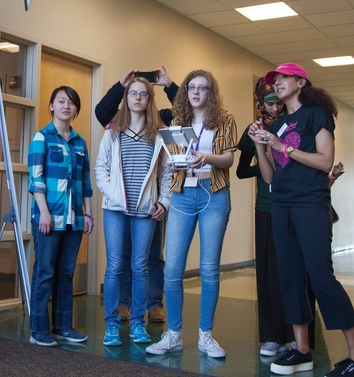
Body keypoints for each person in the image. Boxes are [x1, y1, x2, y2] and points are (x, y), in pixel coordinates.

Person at [251, 63, 354, 377]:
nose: (276, 84)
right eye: (273, 81)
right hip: (281, 204)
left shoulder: (316, 114)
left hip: (310, 204)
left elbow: (325, 161)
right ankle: (300, 350)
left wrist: (283, 147)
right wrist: (261, 146)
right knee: (289, 276)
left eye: (282, 79)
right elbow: (269, 176)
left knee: (320, 277)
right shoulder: (279, 124)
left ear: (300, 82)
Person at [146, 69, 237, 359]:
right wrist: (177, 162)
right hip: (183, 193)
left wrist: (206, 157)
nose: (196, 92)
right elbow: (173, 156)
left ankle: (205, 337)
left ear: (211, 92)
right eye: (191, 88)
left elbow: (229, 159)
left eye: (203, 88)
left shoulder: (225, 119)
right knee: (172, 269)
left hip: (214, 192)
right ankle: (172, 335)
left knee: (209, 269)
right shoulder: (177, 120)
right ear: (185, 92)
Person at [95, 66, 178, 323]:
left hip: (150, 204)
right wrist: (122, 84)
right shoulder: (116, 124)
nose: (139, 97)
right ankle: (123, 303)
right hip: (120, 204)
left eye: (144, 93)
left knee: (151, 256)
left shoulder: (161, 122)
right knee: (122, 257)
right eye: (133, 93)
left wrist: (169, 84)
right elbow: (101, 112)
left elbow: (186, 113)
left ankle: (154, 304)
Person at [27, 86, 94, 347]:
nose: (67, 106)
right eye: (61, 101)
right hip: (48, 217)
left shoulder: (80, 142)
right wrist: (43, 211)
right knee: (45, 272)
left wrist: (88, 214)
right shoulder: (41, 138)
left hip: (74, 219)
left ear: (76, 109)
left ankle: (63, 326)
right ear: (52, 106)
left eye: (71, 102)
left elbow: (85, 182)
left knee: (66, 273)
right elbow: (36, 179)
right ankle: (38, 330)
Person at [236, 79, 294, 357]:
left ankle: (297, 334)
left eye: (278, 103)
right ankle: (272, 336)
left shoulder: (293, 125)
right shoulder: (254, 130)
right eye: (270, 103)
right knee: (268, 273)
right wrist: (265, 166)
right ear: (262, 103)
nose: (275, 107)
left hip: (293, 203)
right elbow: (240, 172)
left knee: (293, 271)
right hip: (267, 206)